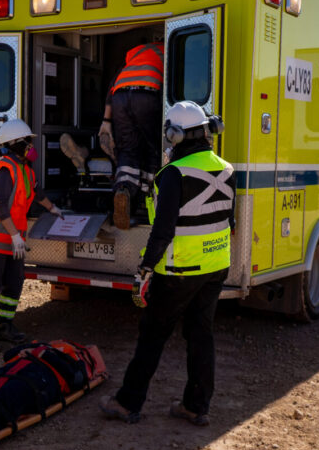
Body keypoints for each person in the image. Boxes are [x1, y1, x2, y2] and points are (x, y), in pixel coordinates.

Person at [99, 100, 233, 426]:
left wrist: (146, 267)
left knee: (152, 335)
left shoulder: (173, 174)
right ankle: (196, 406)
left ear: (174, 136)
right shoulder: (226, 169)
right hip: (216, 267)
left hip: (178, 272)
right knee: (201, 336)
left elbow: (163, 230)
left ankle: (128, 403)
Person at [0, 119, 63, 352]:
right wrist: (15, 236)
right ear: (16, 144)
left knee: (14, 284)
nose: (32, 146)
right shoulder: (4, 171)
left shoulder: (25, 171)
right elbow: (0, 206)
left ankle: (4, 325)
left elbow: (37, 193)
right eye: (28, 142)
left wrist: (53, 209)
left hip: (11, 242)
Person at [98, 41, 165, 230]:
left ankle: (124, 189)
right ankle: (148, 197)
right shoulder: (168, 47)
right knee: (153, 147)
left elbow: (112, 88)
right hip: (147, 94)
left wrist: (106, 121)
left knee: (128, 150)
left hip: (120, 95)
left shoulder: (134, 54)